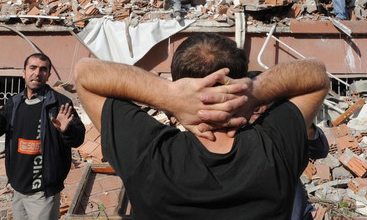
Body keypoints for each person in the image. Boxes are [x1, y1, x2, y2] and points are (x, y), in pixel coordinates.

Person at [73, 32, 329, 220]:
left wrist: (168, 95)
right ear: (238, 81)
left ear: (180, 81)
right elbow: (317, 75)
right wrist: (254, 91)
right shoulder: (274, 146)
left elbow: (85, 74)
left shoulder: (148, 153)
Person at [0, 53, 85, 220]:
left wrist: (66, 130)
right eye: (32, 68)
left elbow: (78, 139)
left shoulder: (59, 104)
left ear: (48, 75)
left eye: (43, 69)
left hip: (42, 190)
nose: (37, 73)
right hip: (18, 187)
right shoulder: (15, 103)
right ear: (24, 72)